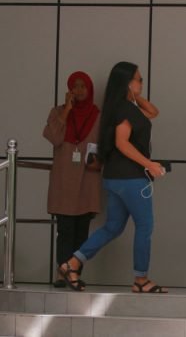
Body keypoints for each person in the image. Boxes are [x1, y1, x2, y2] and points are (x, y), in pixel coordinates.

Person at [59, 61, 167, 293]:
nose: (142, 82)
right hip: (132, 179)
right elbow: (121, 142)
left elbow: (153, 112)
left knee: (113, 227)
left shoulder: (123, 107)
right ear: (127, 82)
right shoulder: (125, 110)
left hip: (114, 178)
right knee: (145, 226)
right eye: (139, 79)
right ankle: (141, 280)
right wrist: (149, 164)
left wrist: (133, 94)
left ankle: (73, 262)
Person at [43, 71, 101, 288]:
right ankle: (62, 272)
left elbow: (105, 145)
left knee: (81, 230)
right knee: (65, 229)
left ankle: (74, 271)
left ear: (89, 89)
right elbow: (53, 137)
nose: (79, 90)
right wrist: (67, 110)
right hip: (64, 179)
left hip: (87, 179)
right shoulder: (57, 112)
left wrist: (101, 161)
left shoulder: (97, 115)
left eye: (83, 86)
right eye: (74, 86)